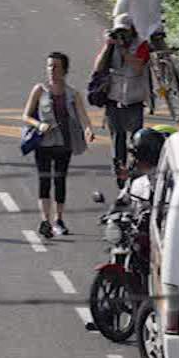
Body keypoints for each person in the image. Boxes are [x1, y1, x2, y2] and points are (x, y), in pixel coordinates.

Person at [21, 51, 91, 239]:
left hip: (63, 143)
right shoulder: (39, 90)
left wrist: (88, 130)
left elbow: (83, 117)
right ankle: (45, 220)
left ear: (65, 70)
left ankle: (58, 219)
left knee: (60, 180)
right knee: (44, 181)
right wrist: (39, 125)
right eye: (49, 66)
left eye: (56, 66)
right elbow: (26, 116)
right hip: (43, 143)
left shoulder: (72, 94)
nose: (52, 70)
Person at [91, 15, 151, 184]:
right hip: (113, 98)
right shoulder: (112, 46)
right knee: (117, 139)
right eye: (119, 32)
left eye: (125, 32)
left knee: (135, 141)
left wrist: (124, 51)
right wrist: (108, 46)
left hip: (134, 100)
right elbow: (98, 68)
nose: (122, 36)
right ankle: (120, 174)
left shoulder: (141, 45)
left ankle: (134, 175)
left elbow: (138, 66)